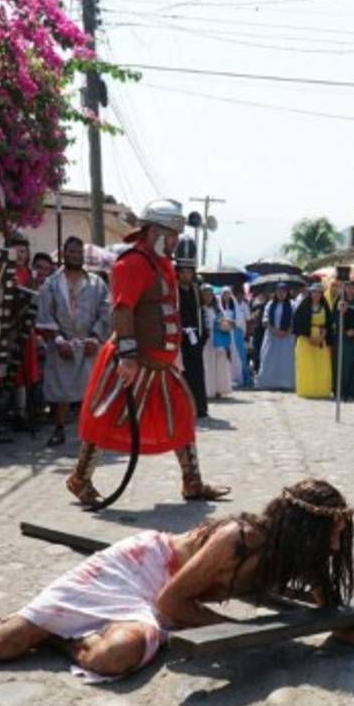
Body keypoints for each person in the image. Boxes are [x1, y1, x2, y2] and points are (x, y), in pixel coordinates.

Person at [0, 479, 354, 678]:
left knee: (111, 660)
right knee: (3, 645)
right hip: (143, 570)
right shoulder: (240, 538)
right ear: (304, 528)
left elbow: (328, 616)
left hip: (159, 603)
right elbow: (172, 600)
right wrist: (230, 634)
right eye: (330, 533)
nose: (337, 544)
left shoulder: (299, 559)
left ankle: (65, 635)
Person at [67, 199, 229, 506]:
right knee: (106, 417)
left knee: (182, 414)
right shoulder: (132, 263)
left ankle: (192, 481)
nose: (174, 242)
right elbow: (123, 310)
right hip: (133, 361)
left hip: (160, 363)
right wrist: (127, 356)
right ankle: (80, 477)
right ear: (154, 232)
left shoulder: (161, 264)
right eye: (170, 235)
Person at [36, 236, 111, 447]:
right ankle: (59, 429)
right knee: (61, 390)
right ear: (64, 254)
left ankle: (92, 433)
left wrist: (95, 338)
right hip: (61, 344)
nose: (75, 256)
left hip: (89, 344)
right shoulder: (51, 284)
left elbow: (106, 313)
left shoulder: (97, 284)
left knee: (92, 391)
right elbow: (45, 314)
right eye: (71, 252)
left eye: (79, 253)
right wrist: (58, 340)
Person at [7, 232, 43, 431]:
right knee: (12, 372)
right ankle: (12, 411)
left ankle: (24, 411)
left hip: (26, 328)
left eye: (23, 251)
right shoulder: (6, 272)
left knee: (26, 371)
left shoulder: (30, 275)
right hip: (9, 328)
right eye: (16, 251)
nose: (20, 255)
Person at [175, 239, 209, 419]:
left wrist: (202, 336)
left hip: (195, 339)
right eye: (183, 271)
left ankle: (199, 407)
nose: (186, 275)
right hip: (178, 338)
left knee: (196, 373)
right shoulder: (173, 290)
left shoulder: (196, 291)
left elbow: (201, 314)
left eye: (189, 271)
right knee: (181, 373)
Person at [292, 283, 334, 399]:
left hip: (321, 339)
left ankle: (321, 390)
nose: (316, 295)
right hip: (306, 340)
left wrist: (323, 335)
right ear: (310, 293)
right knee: (307, 365)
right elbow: (298, 323)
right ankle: (307, 389)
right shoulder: (304, 306)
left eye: (319, 292)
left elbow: (329, 323)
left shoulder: (325, 307)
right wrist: (308, 336)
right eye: (314, 292)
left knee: (320, 365)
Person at [255, 284, 295, 390]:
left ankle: (286, 382)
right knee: (269, 358)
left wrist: (287, 331)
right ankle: (269, 382)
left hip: (288, 336)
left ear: (287, 293)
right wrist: (273, 330)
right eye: (279, 291)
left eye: (283, 291)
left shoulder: (292, 304)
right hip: (272, 335)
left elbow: (295, 320)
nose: (281, 294)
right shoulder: (270, 304)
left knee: (286, 359)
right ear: (276, 293)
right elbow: (265, 319)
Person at [200, 285, 233, 400]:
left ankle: (219, 389)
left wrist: (226, 323)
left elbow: (223, 321)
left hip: (218, 340)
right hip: (205, 340)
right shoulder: (199, 309)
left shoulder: (217, 309)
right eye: (205, 294)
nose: (208, 297)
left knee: (220, 365)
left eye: (210, 294)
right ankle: (208, 390)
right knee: (207, 364)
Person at [335, 278, 354, 401]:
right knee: (342, 365)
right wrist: (340, 311)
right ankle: (340, 390)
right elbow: (334, 318)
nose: (350, 289)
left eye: (353, 287)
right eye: (348, 287)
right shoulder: (340, 301)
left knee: (353, 364)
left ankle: (352, 391)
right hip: (342, 337)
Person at [226, 287, 253, 388]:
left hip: (239, 333)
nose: (239, 296)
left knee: (241, 356)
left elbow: (248, 320)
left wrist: (248, 334)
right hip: (228, 333)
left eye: (241, 294)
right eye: (237, 294)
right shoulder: (227, 305)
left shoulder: (244, 305)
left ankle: (243, 377)